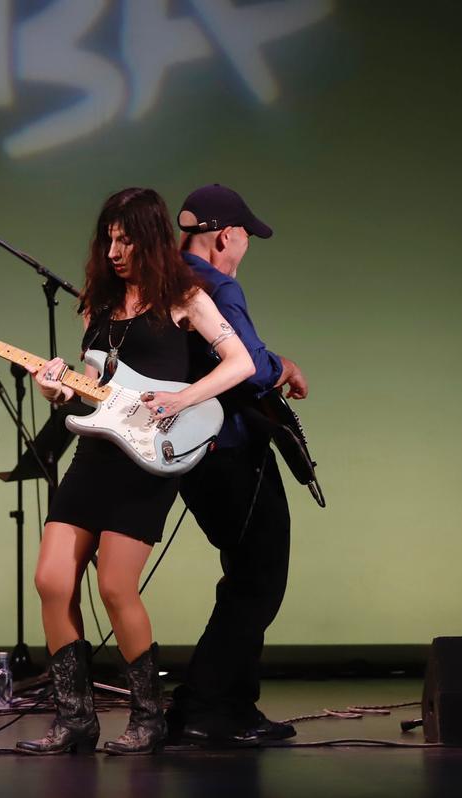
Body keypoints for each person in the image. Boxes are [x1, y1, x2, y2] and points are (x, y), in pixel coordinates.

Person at [16, 188, 255, 756]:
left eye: (124, 240)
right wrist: (54, 388)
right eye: (109, 239)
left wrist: (183, 398)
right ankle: (75, 718)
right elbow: (87, 388)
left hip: (148, 459)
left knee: (115, 586)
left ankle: (149, 716)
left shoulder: (185, 297)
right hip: (96, 454)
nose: (113, 251)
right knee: (52, 580)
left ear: (149, 239)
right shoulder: (97, 304)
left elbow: (241, 361)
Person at [169, 184, 308, 746]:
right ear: (225, 235)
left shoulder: (160, 282)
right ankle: (205, 706)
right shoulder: (217, 286)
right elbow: (249, 366)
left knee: (244, 573)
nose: (245, 247)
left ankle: (230, 705)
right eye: (246, 236)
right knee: (260, 574)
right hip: (229, 447)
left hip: (187, 452)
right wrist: (284, 365)